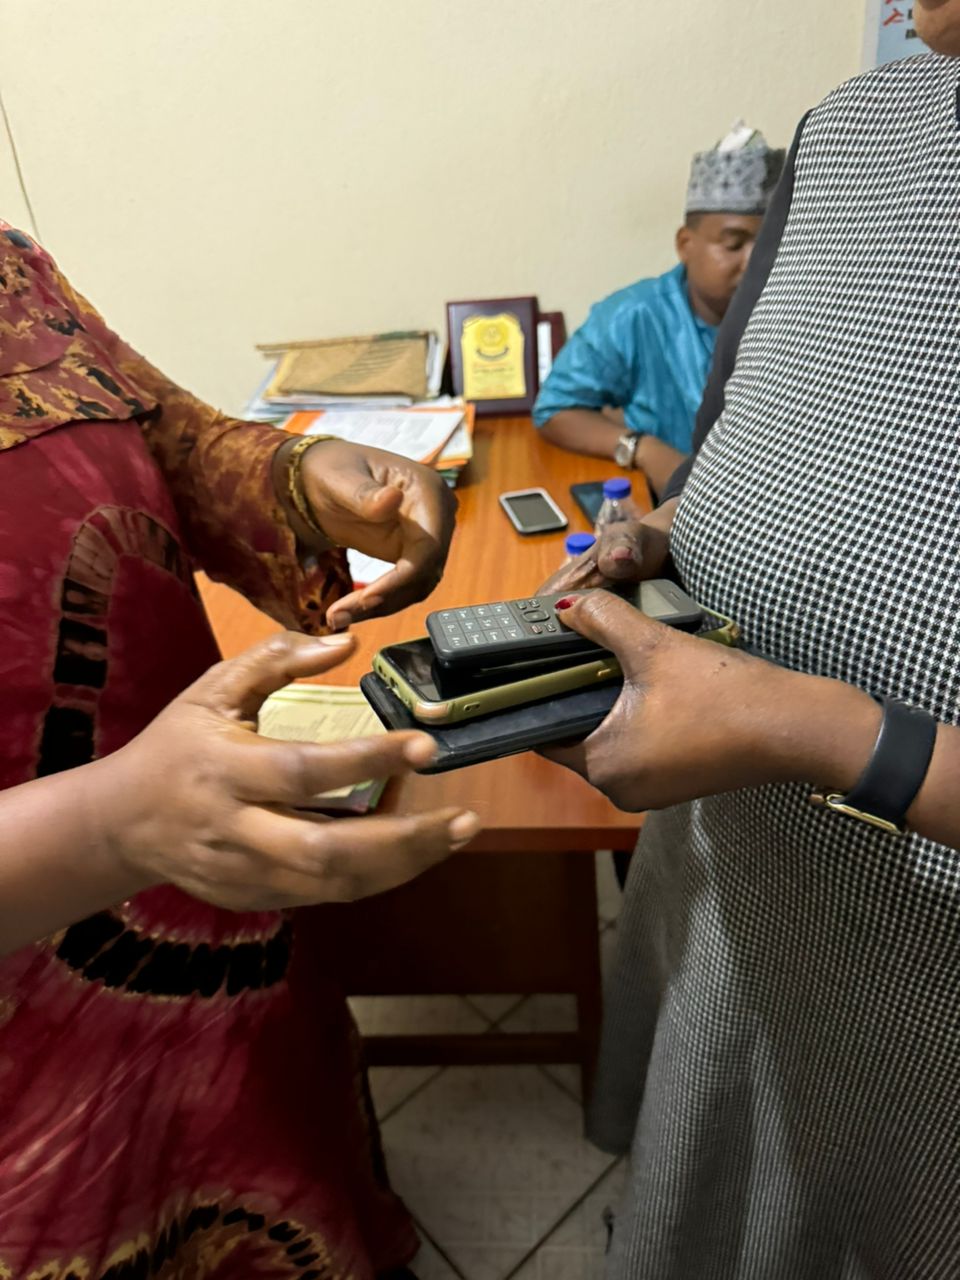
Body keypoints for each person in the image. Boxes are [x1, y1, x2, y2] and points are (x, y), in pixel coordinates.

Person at [538, 18, 960, 1278]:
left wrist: (808, 728)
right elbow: (752, 433)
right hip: (742, 900)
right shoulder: (853, 133)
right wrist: (678, 529)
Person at [0, 220, 479, 1279]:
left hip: (214, 912)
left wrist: (311, 479)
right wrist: (114, 819)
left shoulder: (9, 267)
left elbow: (172, 439)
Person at [532, 124, 784, 495]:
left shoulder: (797, 312)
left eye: (767, 245)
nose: (754, 262)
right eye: (733, 244)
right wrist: (642, 448)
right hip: (671, 515)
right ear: (686, 244)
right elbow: (555, 410)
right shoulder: (632, 315)